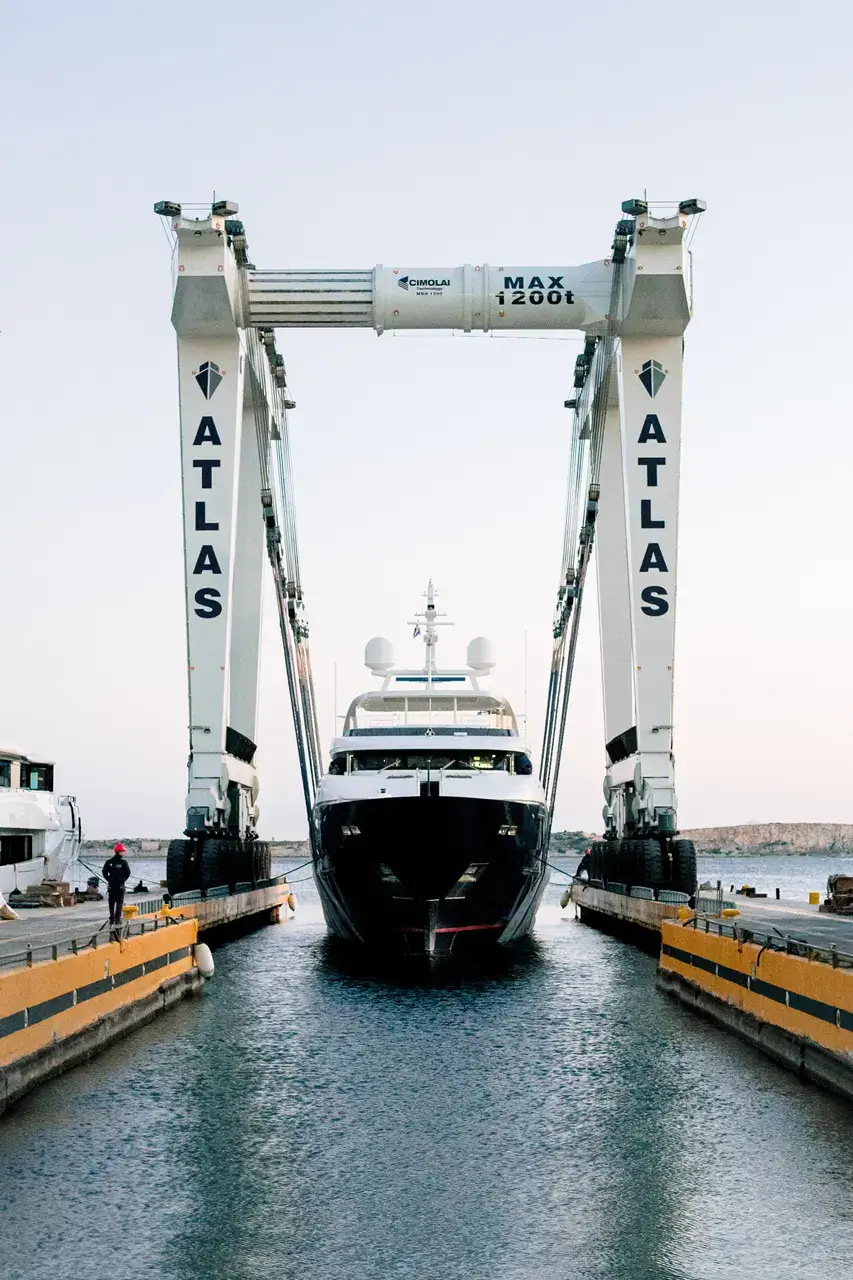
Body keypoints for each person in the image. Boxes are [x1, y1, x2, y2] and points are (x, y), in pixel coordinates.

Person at [103, 843, 131, 925]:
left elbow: (104, 872)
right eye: (123, 851)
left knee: (111, 902)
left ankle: (112, 918)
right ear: (120, 852)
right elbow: (128, 873)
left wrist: (109, 879)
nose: (124, 853)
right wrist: (123, 880)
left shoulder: (109, 862)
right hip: (120, 886)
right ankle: (117, 919)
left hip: (111, 886)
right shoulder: (123, 862)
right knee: (119, 902)